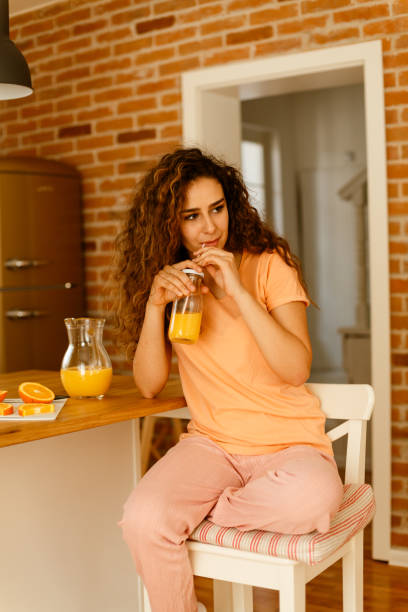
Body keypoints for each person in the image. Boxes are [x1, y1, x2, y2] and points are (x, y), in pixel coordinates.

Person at [114, 147, 343, 612]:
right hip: (211, 446)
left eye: (217, 208)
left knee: (314, 499)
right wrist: (156, 304)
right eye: (192, 216)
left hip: (289, 444)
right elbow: (148, 385)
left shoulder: (268, 265)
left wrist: (237, 290)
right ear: (170, 225)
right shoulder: (176, 283)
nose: (210, 227)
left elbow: (296, 367)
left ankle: (200, 509)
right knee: (142, 518)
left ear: (231, 205)